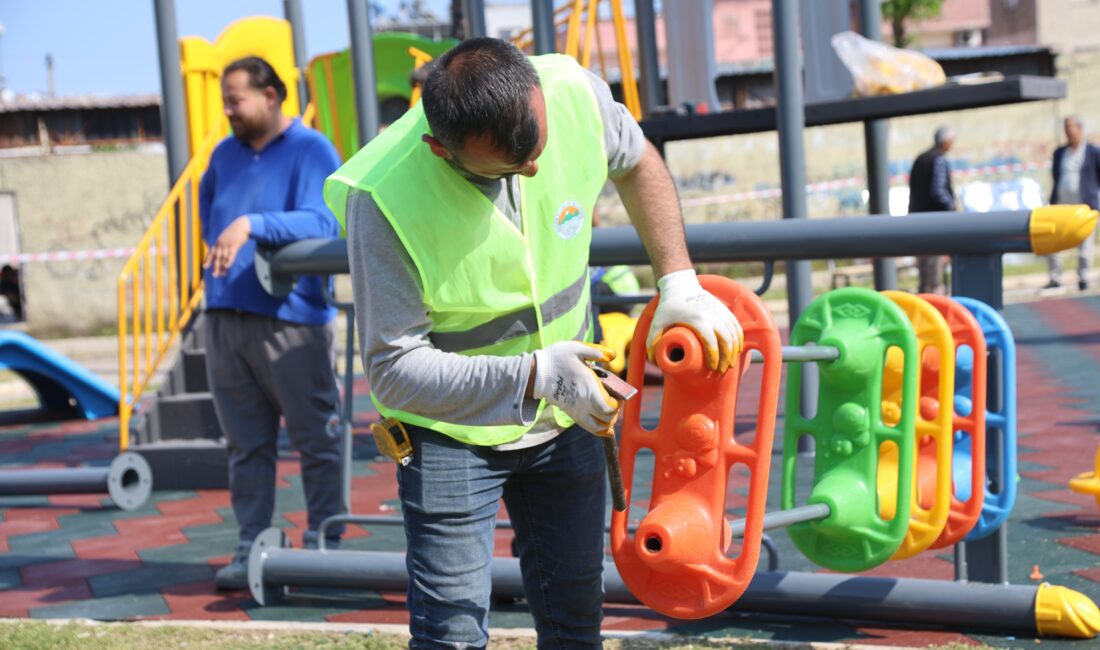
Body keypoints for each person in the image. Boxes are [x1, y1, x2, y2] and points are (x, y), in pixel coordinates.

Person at [326, 38, 743, 648]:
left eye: (538, 149)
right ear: (439, 149)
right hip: (450, 436)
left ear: (536, 93)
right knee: (452, 635)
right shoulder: (383, 197)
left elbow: (639, 161)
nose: (533, 172)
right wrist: (535, 376)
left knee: (576, 620)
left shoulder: (574, 91)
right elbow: (393, 370)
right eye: (508, 167)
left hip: (566, 417)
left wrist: (678, 280)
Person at [199, 56, 345, 590]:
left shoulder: (312, 149)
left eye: (236, 99)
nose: (228, 110)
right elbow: (208, 209)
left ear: (271, 95)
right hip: (225, 319)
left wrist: (252, 225)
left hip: (292, 321)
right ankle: (249, 546)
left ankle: (325, 543)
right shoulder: (223, 155)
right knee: (245, 446)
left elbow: (326, 219)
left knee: (316, 440)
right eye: (226, 100)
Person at [1045, 115, 1100, 291]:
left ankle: (1083, 278)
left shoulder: (1092, 152)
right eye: (1066, 127)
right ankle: (1055, 277)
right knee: (1053, 241)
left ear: (1080, 129)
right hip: (1062, 205)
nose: (1068, 131)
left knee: (1085, 245)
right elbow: (1055, 176)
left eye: (1071, 127)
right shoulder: (1059, 153)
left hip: (1085, 205)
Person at [907, 125, 957, 294]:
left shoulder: (920, 159)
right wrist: (952, 207)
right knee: (935, 278)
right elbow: (938, 191)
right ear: (946, 141)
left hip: (916, 222)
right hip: (934, 224)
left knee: (923, 277)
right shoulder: (939, 160)